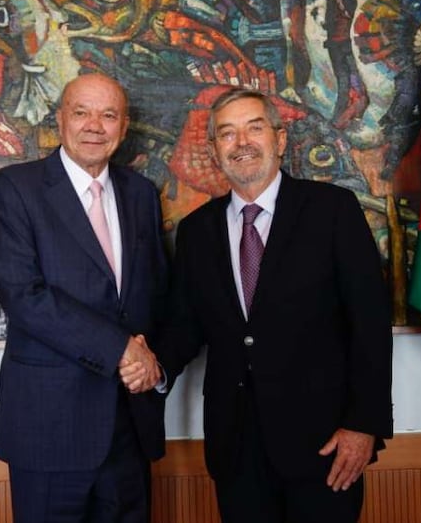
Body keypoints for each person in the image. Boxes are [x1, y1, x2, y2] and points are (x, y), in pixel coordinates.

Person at [152, 87, 393, 523]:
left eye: (254, 128)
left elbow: (370, 324)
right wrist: (151, 366)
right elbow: (185, 327)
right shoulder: (196, 231)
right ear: (214, 149)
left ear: (280, 140)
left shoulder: (333, 210)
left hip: (326, 446)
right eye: (227, 134)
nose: (242, 143)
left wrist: (364, 424)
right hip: (236, 449)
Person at [0, 72, 168, 523]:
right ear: (60, 120)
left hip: (130, 425)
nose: (94, 126)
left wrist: (154, 365)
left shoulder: (141, 194)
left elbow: (157, 293)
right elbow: (25, 296)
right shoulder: (14, 189)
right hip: (51, 428)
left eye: (109, 115)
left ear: (124, 128)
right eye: (81, 112)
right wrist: (121, 348)